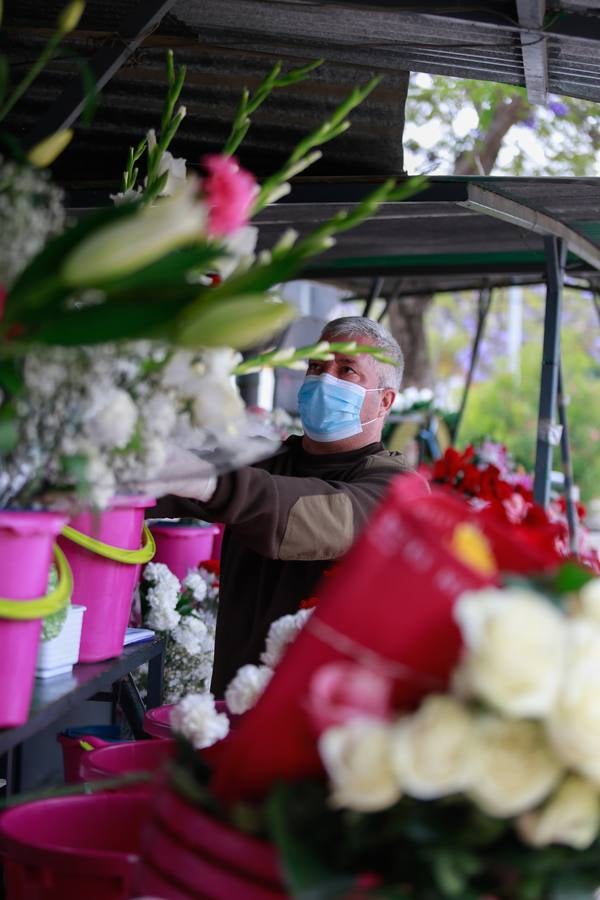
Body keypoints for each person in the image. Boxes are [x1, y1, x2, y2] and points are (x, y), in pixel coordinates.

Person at [150, 316, 427, 696]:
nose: (325, 379)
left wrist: (209, 482)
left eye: (347, 370)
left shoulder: (397, 488)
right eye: (317, 366)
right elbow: (164, 482)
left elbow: (320, 519)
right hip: (232, 698)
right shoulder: (263, 459)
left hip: (323, 712)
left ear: (385, 400)